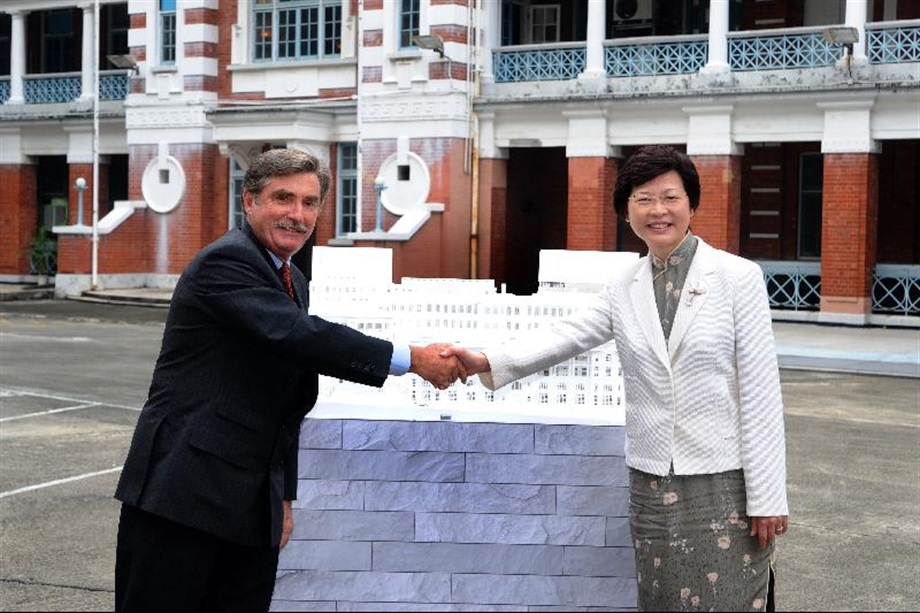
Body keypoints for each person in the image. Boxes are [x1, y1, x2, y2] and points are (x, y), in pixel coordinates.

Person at [113, 148, 465, 611]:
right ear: (249, 201)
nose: (297, 215)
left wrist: (281, 497)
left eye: (310, 202)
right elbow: (300, 336)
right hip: (184, 493)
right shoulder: (227, 263)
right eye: (283, 198)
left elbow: (286, 396)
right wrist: (411, 359)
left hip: (250, 503)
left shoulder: (292, 279)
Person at [443, 145, 789, 612]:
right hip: (651, 484)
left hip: (722, 484)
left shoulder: (737, 278)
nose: (658, 211)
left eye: (670, 197)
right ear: (627, 211)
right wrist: (485, 359)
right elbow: (566, 336)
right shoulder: (623, 286)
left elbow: (761, 395)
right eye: (643, 199)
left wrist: (768, 498)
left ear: (692, 204)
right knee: (662, 598)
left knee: (728, 599)